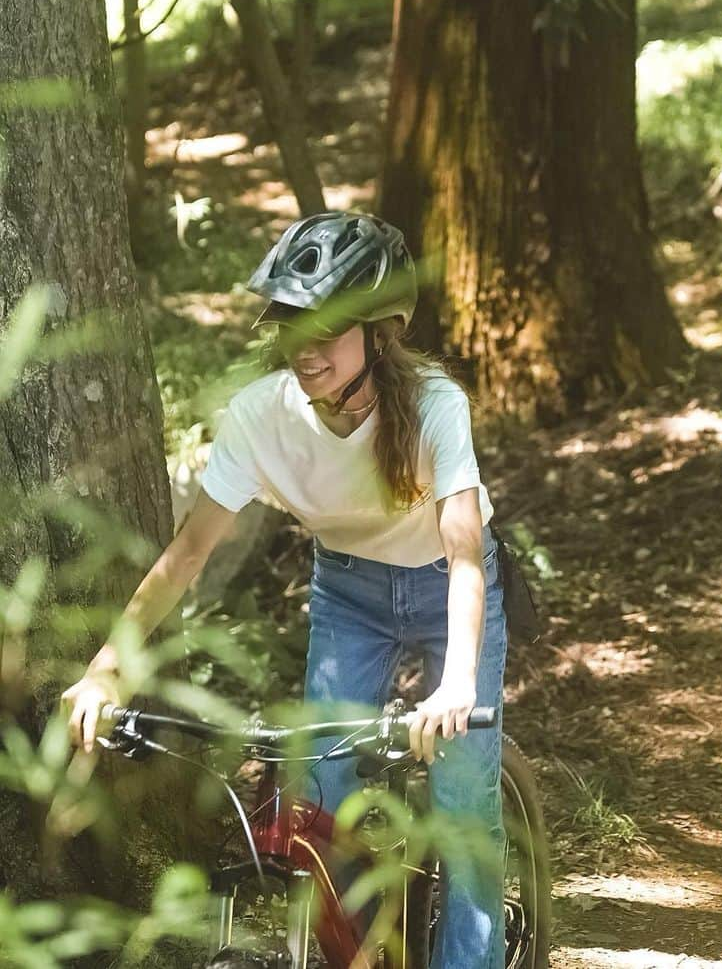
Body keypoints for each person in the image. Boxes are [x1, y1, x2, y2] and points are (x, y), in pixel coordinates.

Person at [62, 212, 507, 969]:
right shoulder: (261, 417)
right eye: (292, 324)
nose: (307, 348)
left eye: (329, 329)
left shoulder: (436, 405)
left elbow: (464, 549)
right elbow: (188, 551)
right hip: (348, 590)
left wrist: (457, 682)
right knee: (320, 789)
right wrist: (108, 665)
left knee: (462, 797)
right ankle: (360, 951)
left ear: (378, 333)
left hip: (448, 586)